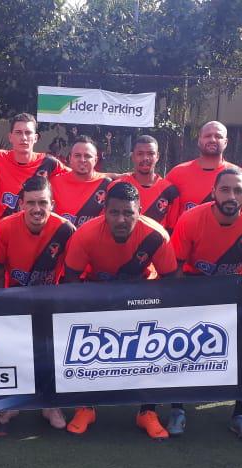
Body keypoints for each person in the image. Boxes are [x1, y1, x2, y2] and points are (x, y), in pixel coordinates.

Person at [62, 182, 178, 440]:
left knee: (153, 345)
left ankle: (147, 411)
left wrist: (155, 309)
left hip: (142, 297)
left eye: (128, 213)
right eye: (114, 212)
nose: (121, 219)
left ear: (140, 211)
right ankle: (86, 407)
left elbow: (171, 282)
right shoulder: (85, 235)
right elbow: (71, 279)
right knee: (84, 344)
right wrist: (86, 310)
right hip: (98, 296)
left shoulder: (156, 235)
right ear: (104, 211)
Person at [170, 167, 242, 440]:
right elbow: (176, 264)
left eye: (238, 190)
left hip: (236, 288)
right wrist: (177, 301)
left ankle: (240, 414)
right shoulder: (191, 219)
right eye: (225, 190)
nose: (231, 196)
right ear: (214, 191)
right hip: (196, 285)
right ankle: (177, 408)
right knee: (182, 345)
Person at [0, 175, 76, 432]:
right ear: (21, 204)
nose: (37, 209)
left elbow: (73, 269)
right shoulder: (4, 228)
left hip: (50, 301)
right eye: (31, 203)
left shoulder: (65, 230)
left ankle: (51, 404)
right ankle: (12, 402)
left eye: (43, 203)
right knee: (14, 352)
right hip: (15, 299)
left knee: (50, 353)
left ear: (52, 204)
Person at [0, 112, 69, 219]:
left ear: (35, 138)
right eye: (18, 133)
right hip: (5, 227)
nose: (24, 137)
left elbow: (78, 178)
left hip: (37, 226)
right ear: (10, 137)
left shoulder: (49, 163)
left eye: (28, 133)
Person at [165, 121, 233, 226]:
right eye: (207, 136)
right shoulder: (177, 173)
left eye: (218, 136)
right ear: (199, 140)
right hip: (186, 235)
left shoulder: (237, 176)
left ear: (226, 142)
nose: (212, 139)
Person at [111, 135, 180, 226]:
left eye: (150, 154)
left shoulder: (169, 191)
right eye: (140, 154)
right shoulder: (116, 186)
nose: (145, 158)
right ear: (133, 156)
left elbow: (172, 228)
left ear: (157, 156)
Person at [50, 136, 113, 227]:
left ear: (95, 160)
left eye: (87, 156)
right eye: (77, 155)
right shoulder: (54, 183)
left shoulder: (106, 184)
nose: (82, 160)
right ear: (70, 158)